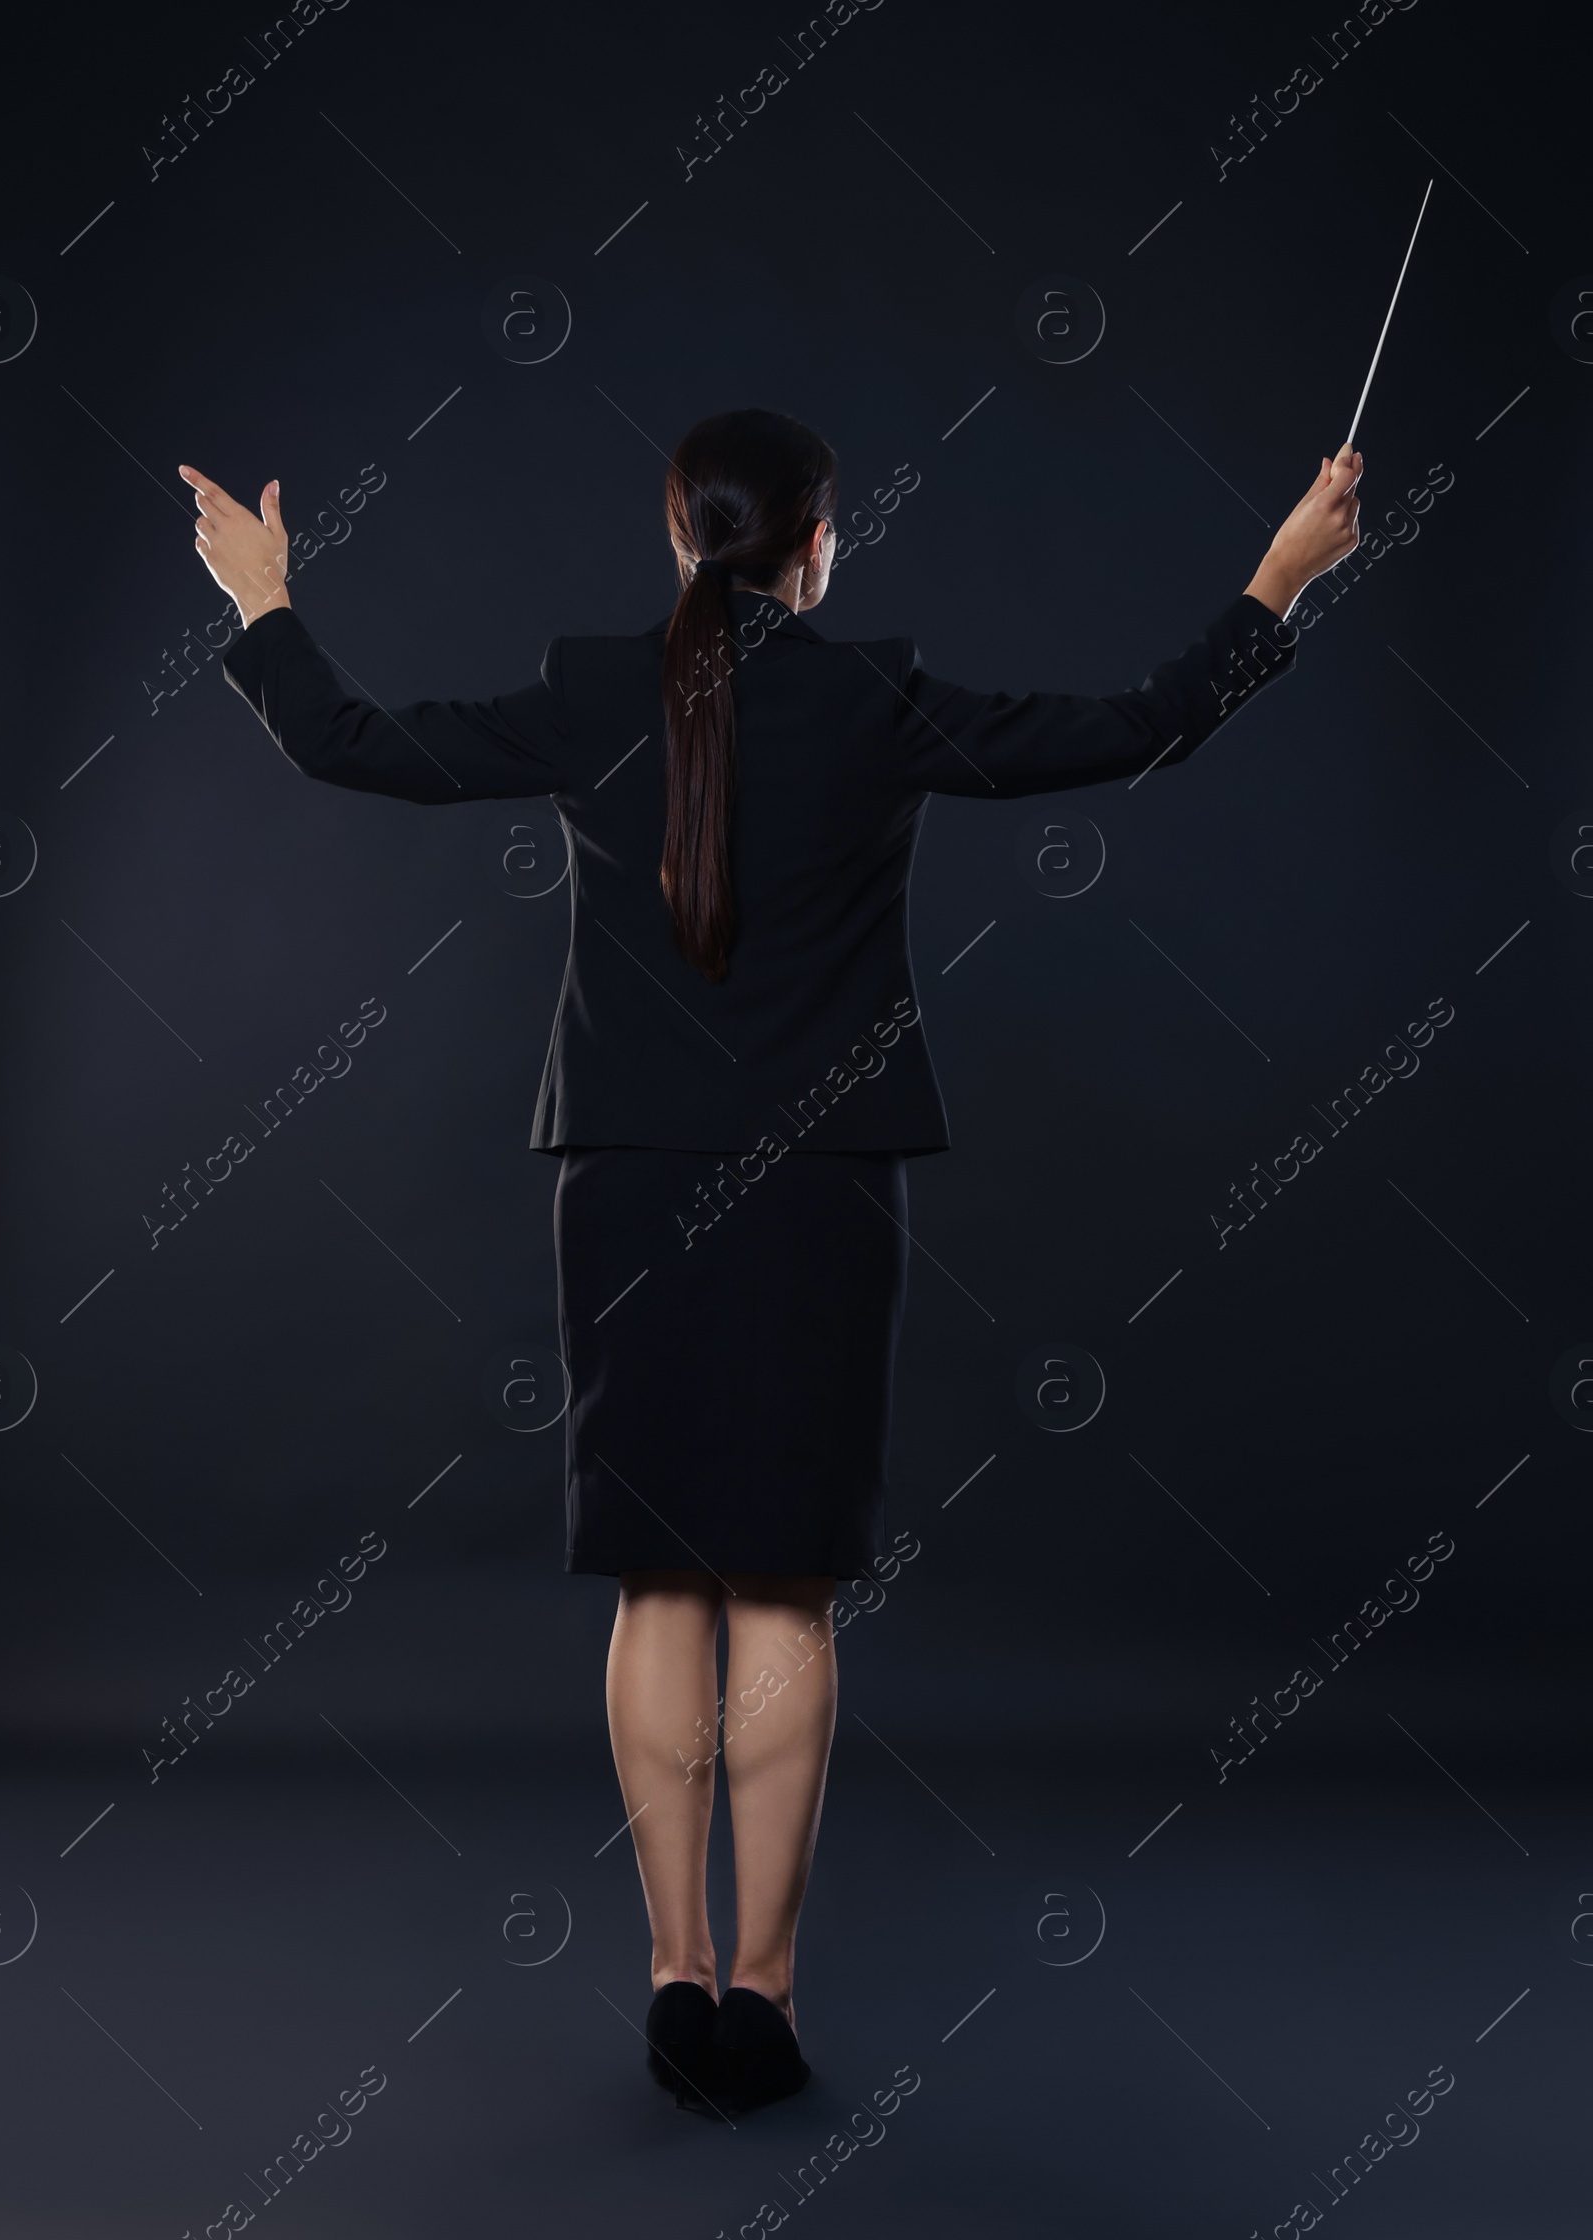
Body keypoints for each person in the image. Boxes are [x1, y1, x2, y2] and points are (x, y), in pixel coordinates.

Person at [183, 410, 1360, 2116]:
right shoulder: (873, 693)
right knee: (785, 1593)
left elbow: (353, 746)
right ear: (818, 548)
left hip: (629, 1188)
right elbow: (1143, 728)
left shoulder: (594, 687)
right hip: (823, 1188)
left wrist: (263, 599)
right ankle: (765, 1995)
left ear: (680, 542)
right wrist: (1280, 576)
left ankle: (673, 1974)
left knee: (664, 1582)